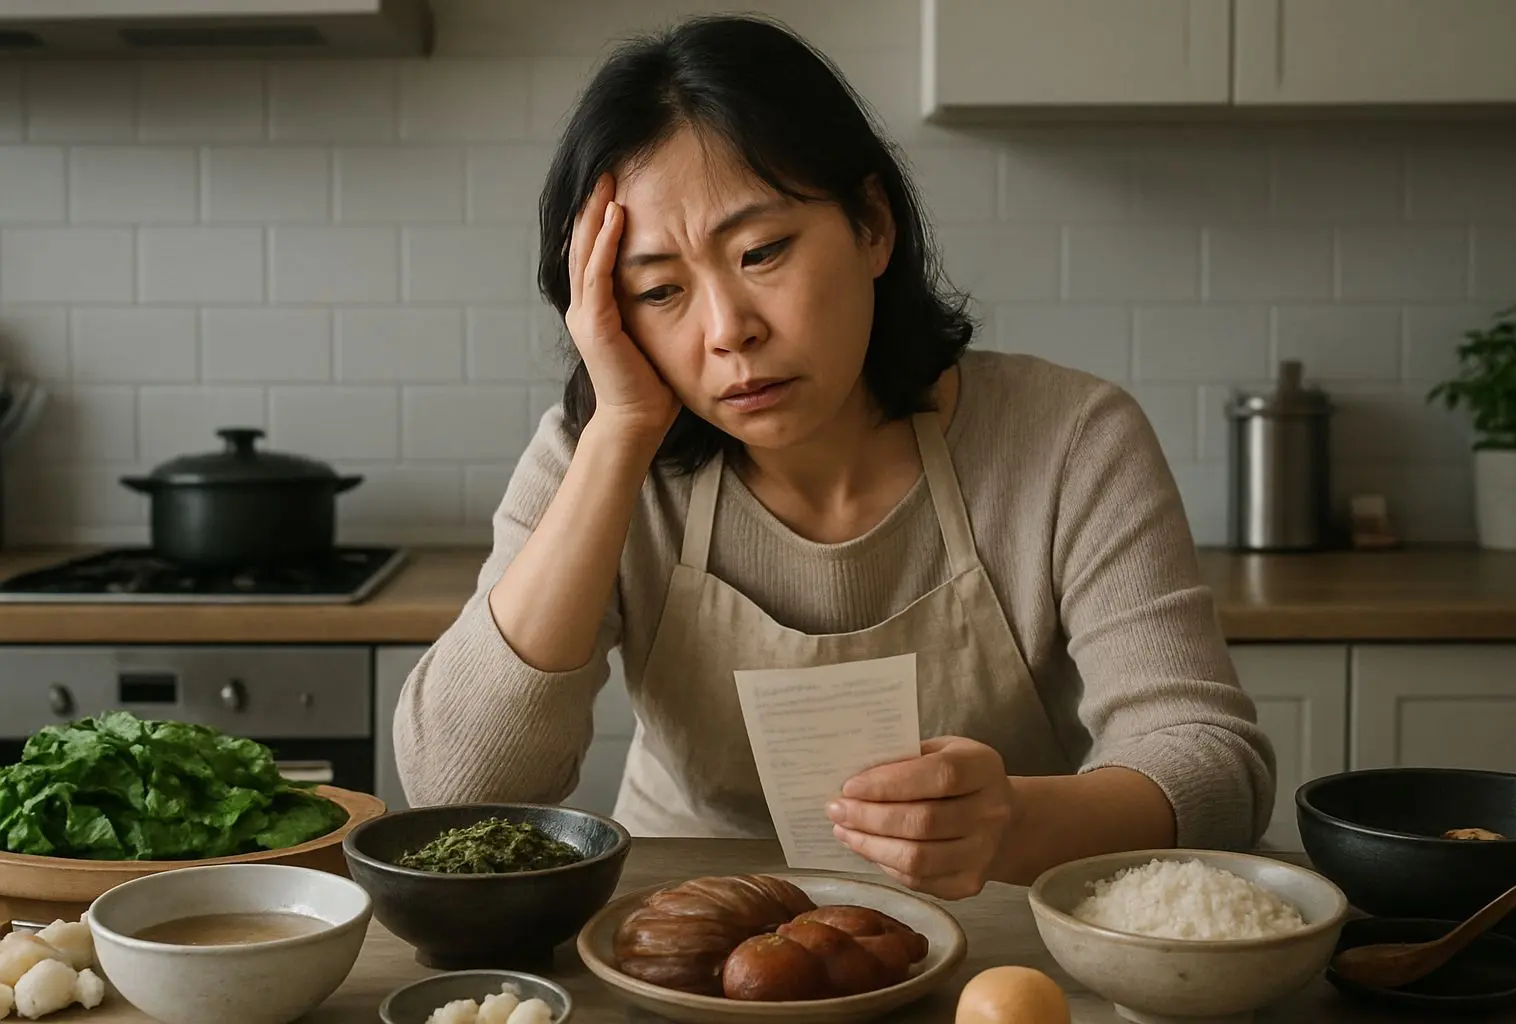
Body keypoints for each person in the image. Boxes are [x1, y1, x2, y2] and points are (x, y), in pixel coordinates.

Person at [394, 13, 1275, 899]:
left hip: (993, 930)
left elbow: (1213, 763)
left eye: (762, 252)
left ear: (873, 225)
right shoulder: (595, 460)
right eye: (659, 290)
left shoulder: (1069, 439)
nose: (727, 330)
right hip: (677, 930)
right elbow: (457, 792)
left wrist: (1014, 821)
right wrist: (618, 433)